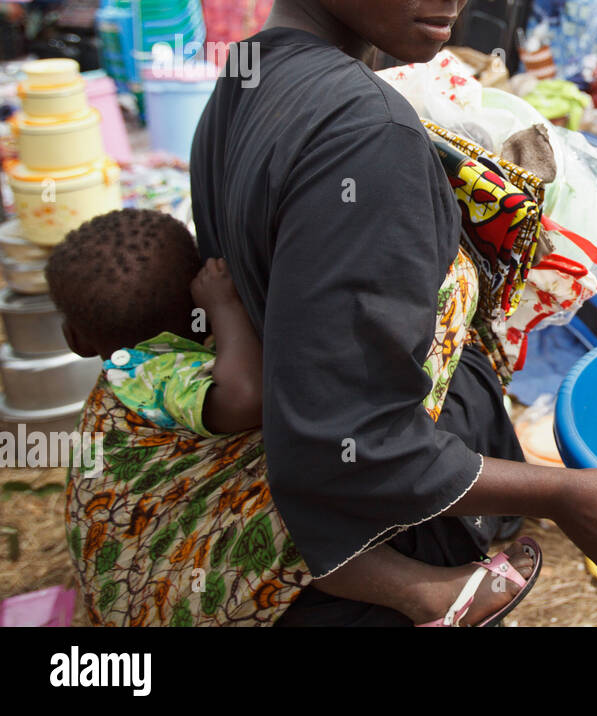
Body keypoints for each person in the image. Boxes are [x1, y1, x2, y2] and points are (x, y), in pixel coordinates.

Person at [66, 0, 597, 628]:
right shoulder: (364, 133)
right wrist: (565, 494)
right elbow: (350, 443)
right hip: (384, 548)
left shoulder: (249, 74)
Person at [51, 209, 540, 627]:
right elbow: (245, 397)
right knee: (313, 500)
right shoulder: (153, 373)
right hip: (172, 572)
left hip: (141, 570)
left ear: (76, 340)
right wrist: (225, 308)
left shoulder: (129, 371)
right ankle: (431, 596)